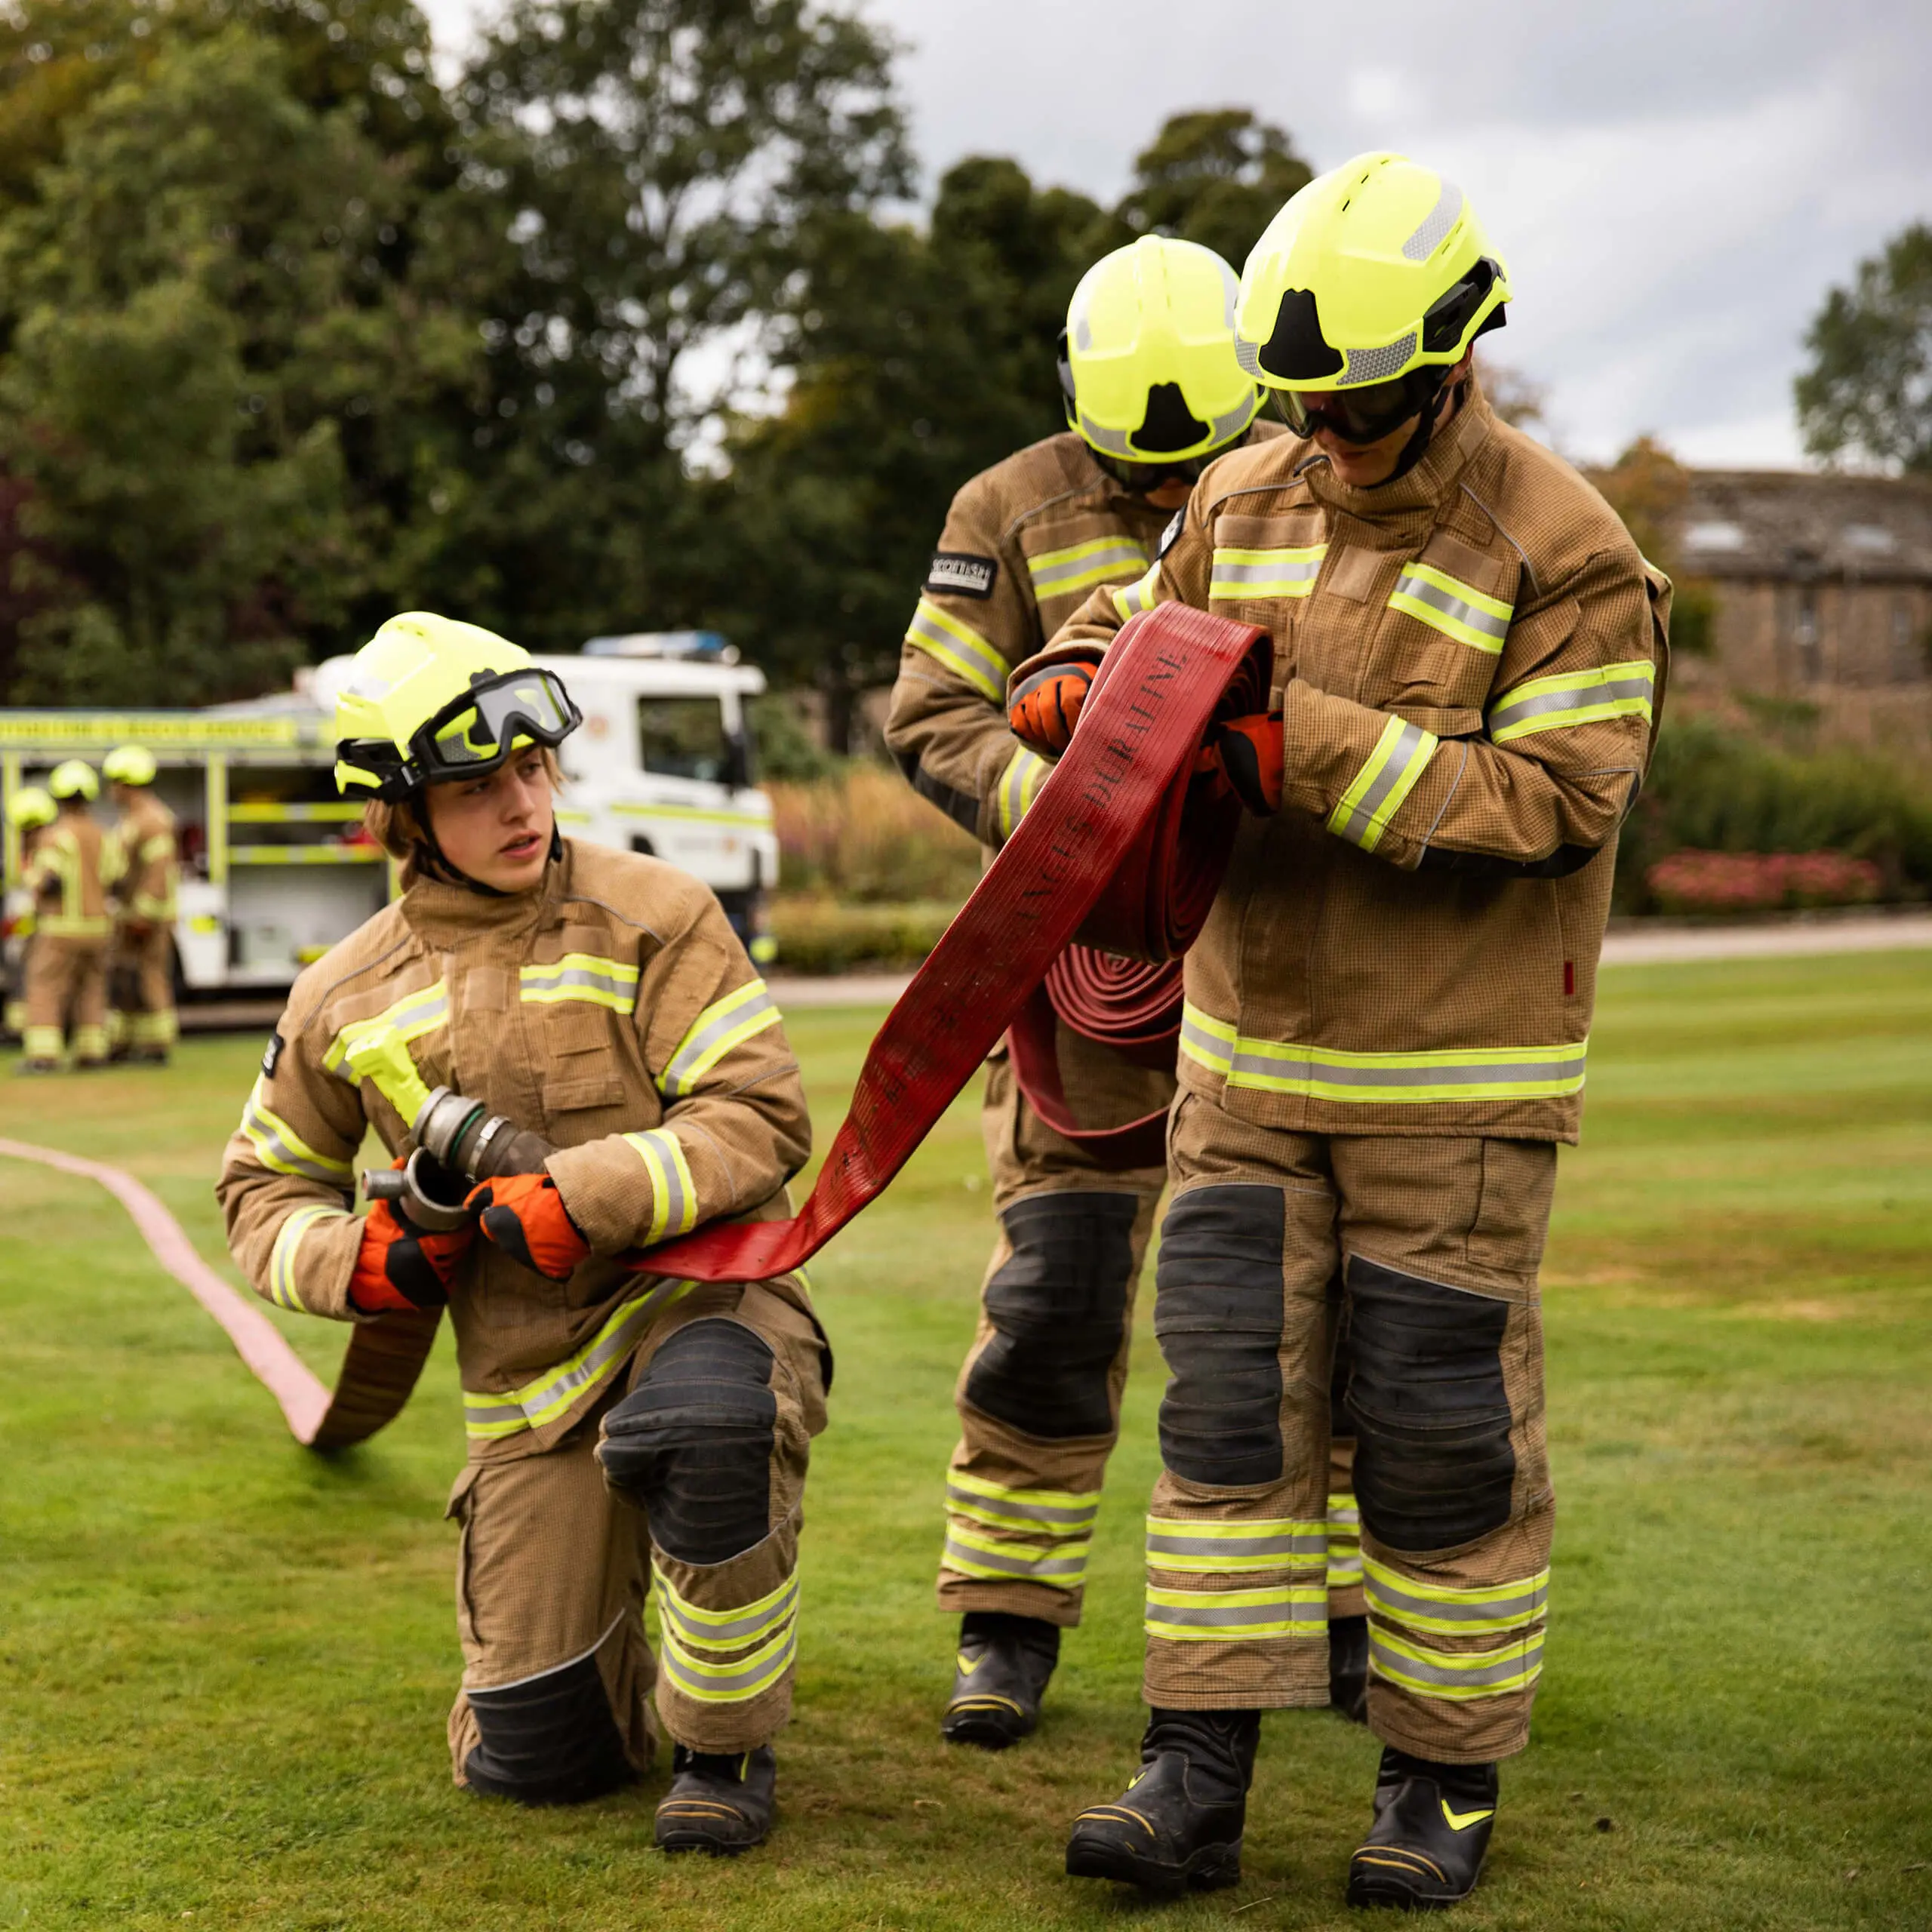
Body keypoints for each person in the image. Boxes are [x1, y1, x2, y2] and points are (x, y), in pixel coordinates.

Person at [1013, 153, 1669, 1909]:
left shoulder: (1568, 551)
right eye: (1301, 395)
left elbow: (1554, 797)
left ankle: (1435, 1774)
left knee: (1437, 1429)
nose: (1327, 425)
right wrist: (1070, 672)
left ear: (1455, 350)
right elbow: (1131, 624)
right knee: (1226, 1414)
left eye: (1357, 395)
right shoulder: (1242, 490)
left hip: (1451, 1097)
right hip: (1241, 1071)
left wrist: (1283, 744)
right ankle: (1192, 1764)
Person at [217, 613, 828, 1853]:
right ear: (401, 809)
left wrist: (590, 1194)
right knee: (537, 1761)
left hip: (697, 1304)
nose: (521, 803)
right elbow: (262, 1192)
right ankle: (600, 1678)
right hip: (530, 1390)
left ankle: (725, 1748)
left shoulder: (656, 912)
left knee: (709, 1423)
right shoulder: (342, 994)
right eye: (477, 783)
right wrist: (366, 1260)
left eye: (534, 768)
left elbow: (758, 1115)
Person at [884, 235, 1366, 1749]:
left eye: (1193, 464)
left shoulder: (1311, 479)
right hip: (1079, 987)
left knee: (1296, 1313)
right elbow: (929, 711)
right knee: (1054, 1295)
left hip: (1272, 971)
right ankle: (1005, 1623)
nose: (1168, 497)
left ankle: (1347, 1620)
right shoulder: (1004, 508)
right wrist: (1070, 800)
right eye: (1134, 468)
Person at [18, 761, 118, 1075]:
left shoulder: (54, 836)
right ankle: (92, 1053)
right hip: (99, 929)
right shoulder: (104, 836)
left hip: (60, 929)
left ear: (58, 798)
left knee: (45, 987)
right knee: (91, 988)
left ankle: (43, 1057)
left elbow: (49, 881)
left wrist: (29, 875)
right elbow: (115, 875)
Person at [103, 744, 180, 1066]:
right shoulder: (134, 819)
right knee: (124, 981)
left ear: (127, 784)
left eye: (114, 783)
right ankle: (124, 1043)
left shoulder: (152, 820)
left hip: (147, 918)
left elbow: (158, 872)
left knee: (150, 978)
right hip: (128, 914)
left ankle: (157, 1046)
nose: (111, 791)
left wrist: (144, 915)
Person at [3, 784, 57, 1041]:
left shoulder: (48, 846)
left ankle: (25, 1032)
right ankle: (18, 1028)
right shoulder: (43, 846)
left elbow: (45, 886)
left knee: (36, 981)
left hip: (48, 926)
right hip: (36, 925)